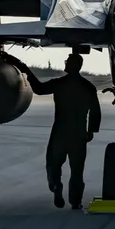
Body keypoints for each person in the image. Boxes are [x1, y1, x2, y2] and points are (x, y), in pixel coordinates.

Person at [23, 52, 101, 209]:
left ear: (72, 65)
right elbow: (95, 111)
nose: (65, 63)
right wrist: (91, 130)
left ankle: (56, 186)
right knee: (77, 170)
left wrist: (26, 70)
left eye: (67, 61)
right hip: (78, 133)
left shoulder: (60, 83)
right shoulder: (88, 87)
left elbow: (38, 89)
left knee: (53, 164)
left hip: (60, 131)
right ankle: (75, 201)